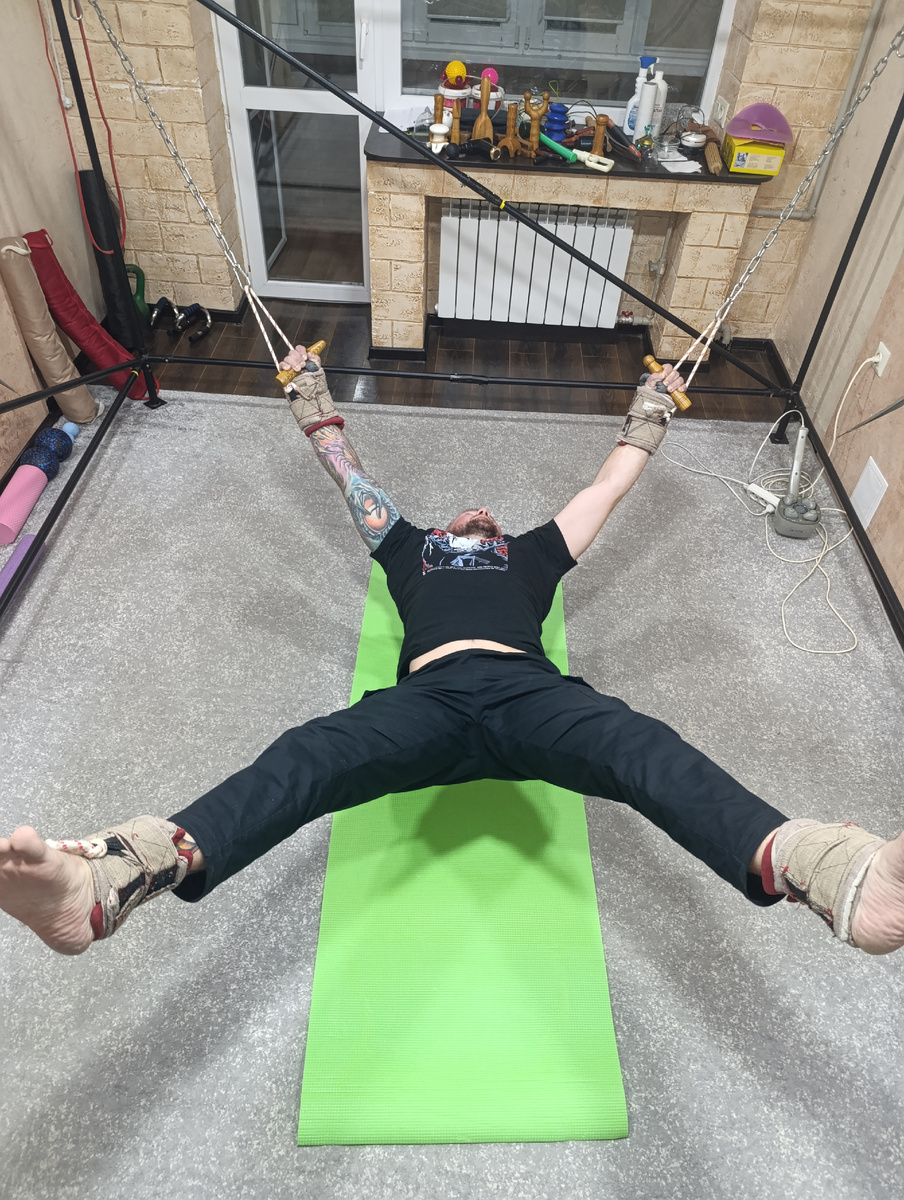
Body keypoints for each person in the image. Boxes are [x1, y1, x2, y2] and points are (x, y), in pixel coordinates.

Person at [2, 347, 904, 959]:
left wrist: (652, 409)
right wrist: (311, 400)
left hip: (529, 695)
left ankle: (822, 869)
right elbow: (348, 476)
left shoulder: (533, 553)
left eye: (488, 517)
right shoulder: (409, 546)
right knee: (308, 756)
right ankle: (117, 877)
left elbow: (607, 487)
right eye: (468, 514)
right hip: (424, 707)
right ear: (445, 530)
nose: (481, 512)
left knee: (640, 746)